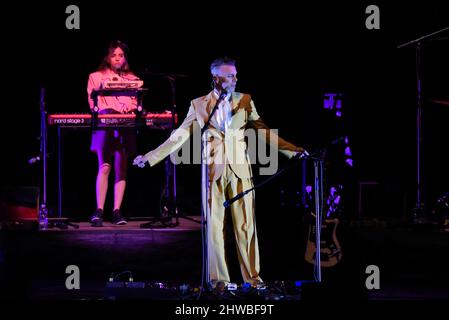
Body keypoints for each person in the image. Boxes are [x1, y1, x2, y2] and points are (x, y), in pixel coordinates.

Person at [133, 57, 307, 287]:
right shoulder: (199, 104)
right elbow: (180, 135)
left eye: (235, 75)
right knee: (214, 228)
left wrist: (293, 150)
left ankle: (253, 280)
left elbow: (264, 131)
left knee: (246, 226)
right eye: (230, 76)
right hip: (213, 171)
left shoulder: (245, 100)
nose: (235, 79)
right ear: (216, 79)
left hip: (240, 171)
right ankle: (218, 281)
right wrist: (150, 156)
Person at [87, 40, 141, 227]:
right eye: (114, 55)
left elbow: (135, 104)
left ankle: (117, 210)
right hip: (105, 125)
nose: (118, 58)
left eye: (121, 55)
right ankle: (99, 209)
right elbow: (96, 104)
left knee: (122, 167)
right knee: (105, 166)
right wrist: (115, 108)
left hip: (125, 126)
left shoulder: (132, 78)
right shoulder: (96, 76)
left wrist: (129, 108)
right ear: (107, 58)